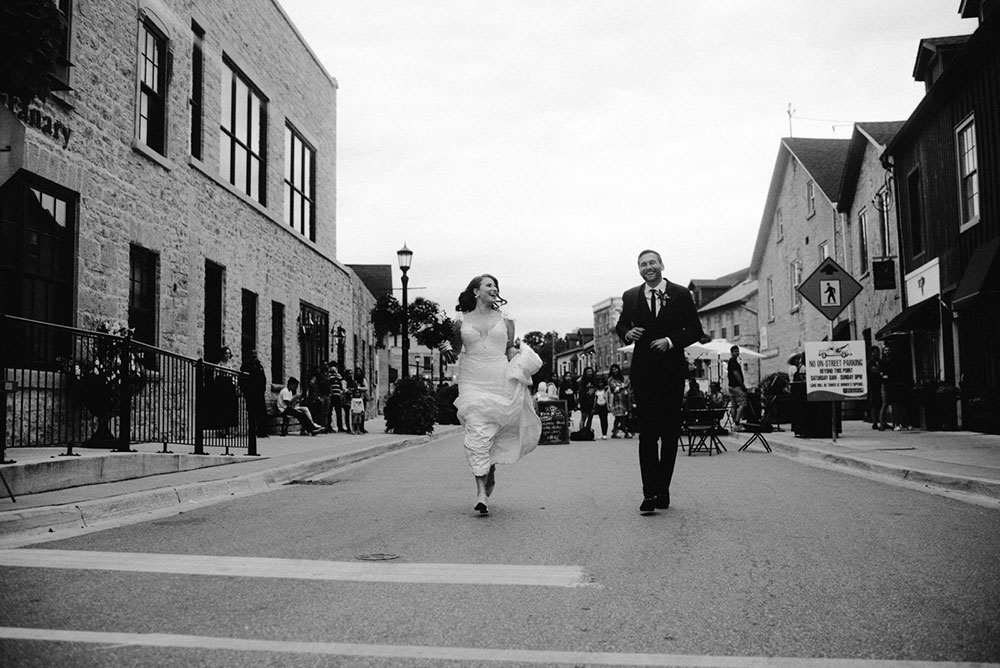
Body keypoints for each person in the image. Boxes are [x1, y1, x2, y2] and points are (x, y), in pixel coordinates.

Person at [439, 274, 542, 515]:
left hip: (499, 378)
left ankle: (490, 469)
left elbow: (509, 349)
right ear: (476, 292)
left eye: (496, 286)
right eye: (488, 285)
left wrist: (519, 356)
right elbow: (454, 351)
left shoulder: (506, 320)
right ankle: (481, 492)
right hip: (472, 379)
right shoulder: (460, 321)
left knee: (495, 432)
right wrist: (444, 348)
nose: (494, 288)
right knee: (476, 430)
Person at [615, 249, 704, 514]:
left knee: (669, 433)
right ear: (639, 269)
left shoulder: (680, 294)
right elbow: (620, 326)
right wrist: (627, 333)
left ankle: (663, 488)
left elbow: (695, 330)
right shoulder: (631, 296)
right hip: (643, 373)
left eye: (652, 262)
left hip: (672, 373)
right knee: (648, 434)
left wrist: (671, 341)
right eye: (643, 264)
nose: (648, 267)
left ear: (662, 265)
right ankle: (649, 493)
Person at [239, 348, 269, 438]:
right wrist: (246, 391)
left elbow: (263, 378)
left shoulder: (259, 365)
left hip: (259, 393)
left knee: (261, 413)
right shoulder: (246, 366)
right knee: (252, 413)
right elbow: (242, 379)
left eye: (255, 353)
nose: (254, 355)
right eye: (252, 353)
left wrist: (263, 389)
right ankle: (252, 431)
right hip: (251, 393)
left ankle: (261, 431)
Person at [607, 363, 632, 439]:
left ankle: (614, 432)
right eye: (613, 369)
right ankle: (626, 432)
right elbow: (615, 389)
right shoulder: (611, 379)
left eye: (616, 369)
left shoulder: (621, 378)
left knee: (619, 417)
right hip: (617, 399)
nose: (615, 371)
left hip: (624, 398)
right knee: (620, 416)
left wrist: (623, 386)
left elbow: (626, 385)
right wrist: (622, 386)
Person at [727, 346, 750, 427]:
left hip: (730, 386)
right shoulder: (734, 362)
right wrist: (742, 385)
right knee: (743, 403)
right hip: (736, 386)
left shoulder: (731, 361)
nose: (737, 353)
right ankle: (737, 422)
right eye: (735, 351)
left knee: (734, 405)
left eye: (738, 351)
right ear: (732, 352)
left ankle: (734, 424)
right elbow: (736, 374)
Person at [576, 366, 597, 432]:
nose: (590, 373)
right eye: (588, 371)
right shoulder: (582, 381)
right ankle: (582, 430)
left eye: (591, 371)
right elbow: (581, 392)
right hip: (584, 401)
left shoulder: (594, 380)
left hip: (592, 400)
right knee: (584, 416)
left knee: (590, 416)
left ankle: (588, 430)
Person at [327, 362, 346, 432]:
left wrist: (341, 392)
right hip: (331, 395)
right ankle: (329, 426)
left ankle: (340, 427)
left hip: (337, 395)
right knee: (329, 412)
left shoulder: (338, 376)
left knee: (339, 412)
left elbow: (341, 383)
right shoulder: (328, 375)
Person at [867, 346, 883, 430]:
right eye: (874, 352)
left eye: (877, 351)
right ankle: (874, 422)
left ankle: (882, 420)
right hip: (873, 385)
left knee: (881, 403)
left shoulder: (880, 361)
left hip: (882, 384)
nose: (876, 353)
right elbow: (874, 370)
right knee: (874, 403)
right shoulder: (870, 362)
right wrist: (880, 372)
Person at [354, 368, 370, 434]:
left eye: (359, 371)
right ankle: (355, 428)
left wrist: (359, 388)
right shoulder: (354, 380)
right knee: (355, 413)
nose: (358, 373)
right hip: (355, 399)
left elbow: (366, 388)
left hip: (362, 398)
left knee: (361, 413)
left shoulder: (363, 379)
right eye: (357, 371)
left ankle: (361, 427)